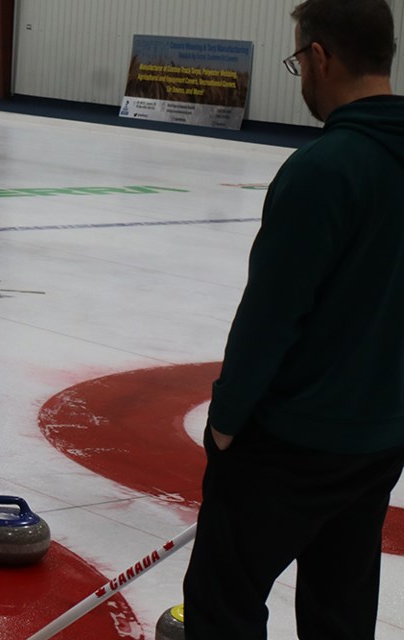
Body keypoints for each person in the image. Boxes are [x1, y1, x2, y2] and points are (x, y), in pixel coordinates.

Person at [183, 0, 404, 638]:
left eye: (297, 60)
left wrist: (226, 422)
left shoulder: (325, 169)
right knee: (342, 601)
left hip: (290, 442)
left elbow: (271, 316)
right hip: (379, 437)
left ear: (320, 56)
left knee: (224, 599)